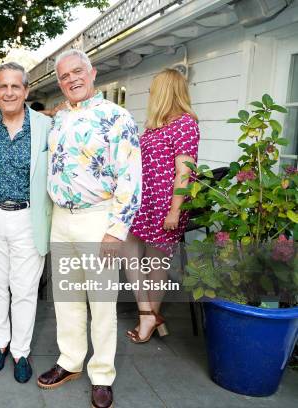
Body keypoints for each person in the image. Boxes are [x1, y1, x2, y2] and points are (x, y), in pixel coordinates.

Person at [37, 49, 141, 408]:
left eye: (77, 72)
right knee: (66, 298)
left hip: (99, 220)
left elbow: (131, 178)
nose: (71, 80)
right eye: (64, 76)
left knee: (102, 303)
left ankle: (102, 374)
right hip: (61, 219)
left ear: (92, 72)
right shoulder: (60, 118)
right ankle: (70, 361)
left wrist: (116, 230)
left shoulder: (118, 117)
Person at [0, 62, 52, 383]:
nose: (8, 92)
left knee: (24, 289)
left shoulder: (45, 126)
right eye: (2, 86)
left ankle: (21, 350)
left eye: (15, 86)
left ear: (26, 91)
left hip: (28, 217)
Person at [124, 68, 200, 343]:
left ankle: (149, 318)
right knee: (129, 250)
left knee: (156, 262)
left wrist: (175, 210)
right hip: (145, 201)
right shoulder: (156, 124)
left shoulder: (185, 124)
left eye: (154, 89)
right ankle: (149, 314)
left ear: (166, 91)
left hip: (167, 203)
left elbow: (185, 171)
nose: (150, 94)